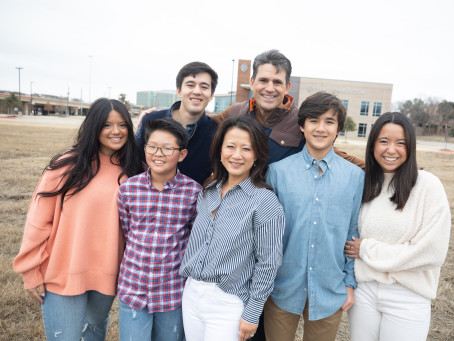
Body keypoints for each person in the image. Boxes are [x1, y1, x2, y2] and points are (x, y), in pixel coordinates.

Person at [13, 98, 144, 340]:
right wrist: (30, 271)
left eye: (122, 125)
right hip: (63, 274)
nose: (116, 131)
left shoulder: (135, 171)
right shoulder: (66, 166)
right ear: (94, 127)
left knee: (94, 335)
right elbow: (38, 222)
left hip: (108, 276)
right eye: (107, 125)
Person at [264, 92, 364, 341]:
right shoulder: (277, 173)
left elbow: (354, 232)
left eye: (329, 122)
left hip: (330, 289)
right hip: (281, 288)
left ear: (339, 128)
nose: (321, 128)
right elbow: (265, 234)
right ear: (302, 126)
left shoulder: (355, 177)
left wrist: (349, 284)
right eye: (313, 121)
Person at [345, 112, 451, 341]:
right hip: (364, 292)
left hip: (408, 295)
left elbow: (432, 252)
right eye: (384, 141)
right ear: (372, 145)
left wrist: (367, 250)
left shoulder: (428, 186)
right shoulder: (365, 184)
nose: (391, 150)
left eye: (400, 143)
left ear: (410, 147)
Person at [179, 115, 285, 341]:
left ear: (256, 155)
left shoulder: (264, 201)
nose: (237, 155)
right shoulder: (208, 191)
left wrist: (253, 312)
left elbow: (268, 263)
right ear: (219, 150)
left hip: (227, 302)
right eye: (230, 146)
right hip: (192, 293)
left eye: (246, 148)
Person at [117, 118, 201, 341]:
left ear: (182, 154)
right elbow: (127, 231)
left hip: (172, 290)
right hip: (133, 287)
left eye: (167, 148)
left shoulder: (193, 192)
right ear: (144, 149)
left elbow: (194, 239)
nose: (158, 154)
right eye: (152, 147)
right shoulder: (128, 188)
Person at [211, 49, 365, 170]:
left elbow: (334, 156)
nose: (270, 88)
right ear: (252, 83)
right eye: (263, 80)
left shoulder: (300, 121)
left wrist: (381, 171)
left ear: (287, 87)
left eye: (277, 82)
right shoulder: (235, 113)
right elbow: (202, 124)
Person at [135, 61, 218, 184]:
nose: (197, 91)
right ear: (179, 91)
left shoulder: (216, 132)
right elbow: (131, 159)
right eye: (190, 85)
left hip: (193, 201)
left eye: (204, 87)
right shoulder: (150, 121)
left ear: (211, 95)